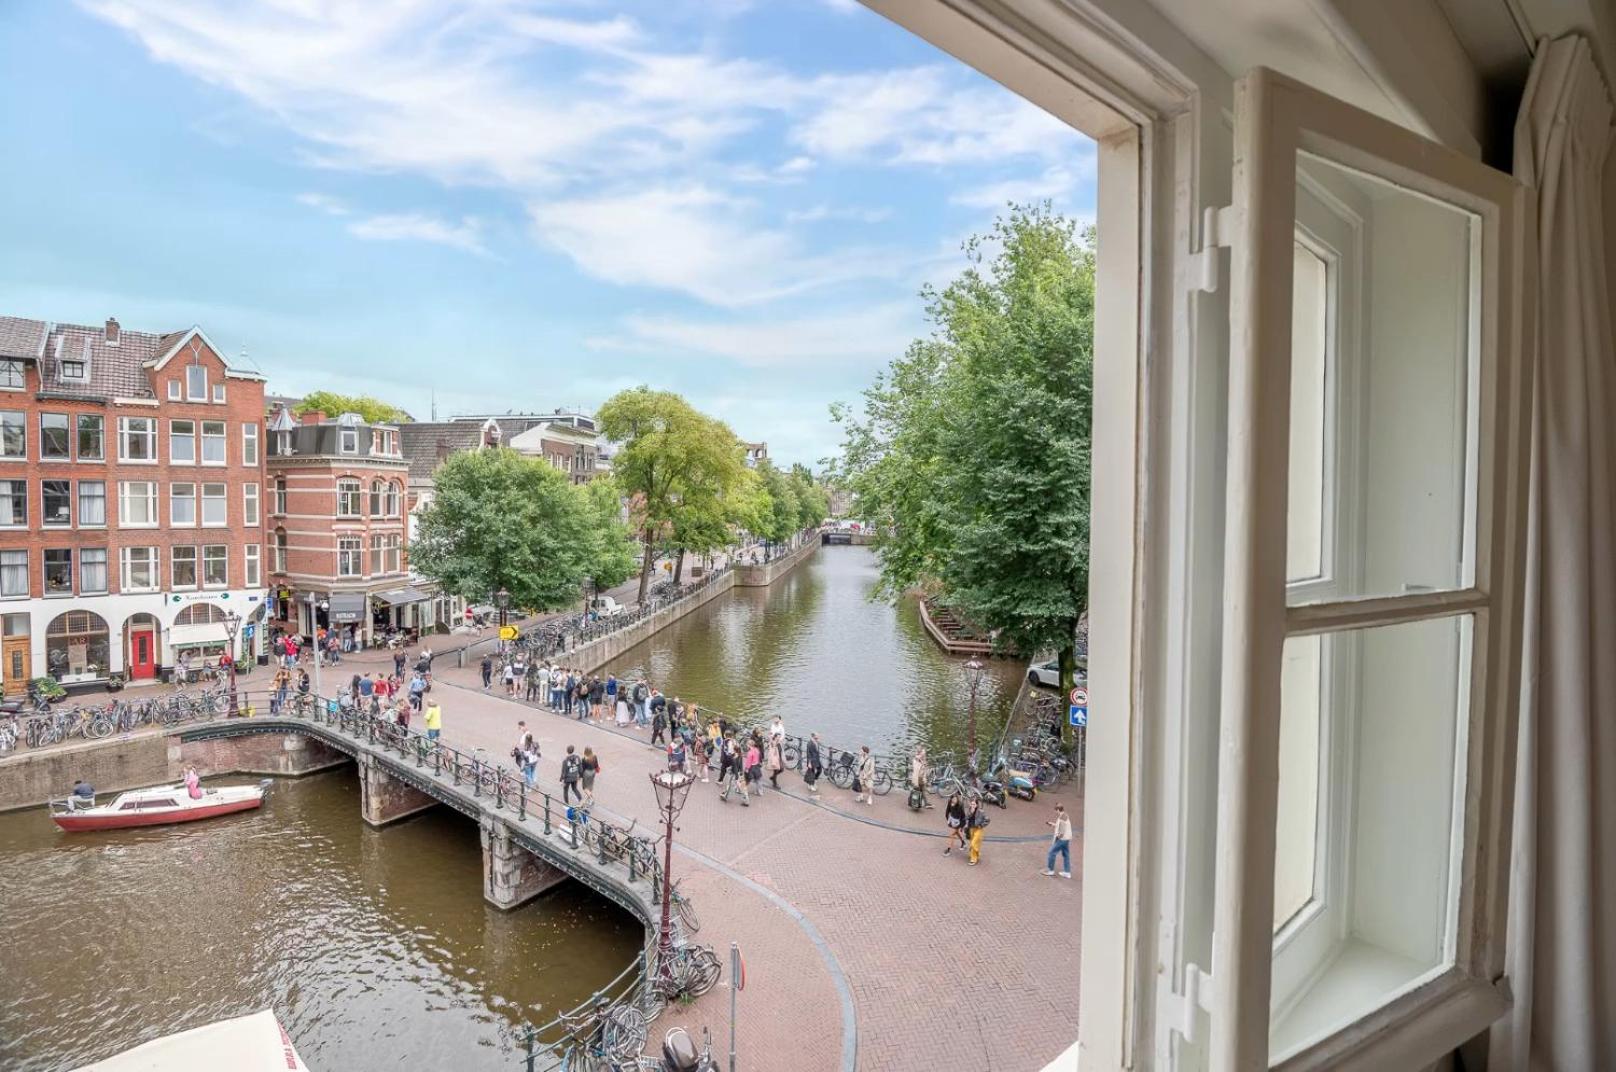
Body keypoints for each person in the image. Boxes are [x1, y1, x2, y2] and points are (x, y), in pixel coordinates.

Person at [1043, 803, 1073, 878]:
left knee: (1051, 852)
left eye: (1056, 811)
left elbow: (1062, 831)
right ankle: (1067, 872)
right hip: (1067, 838)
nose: (1055, 812)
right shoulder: (1064, 815)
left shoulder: (1062, 818)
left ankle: (1050, 870)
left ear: (1058, 810)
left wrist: (1057, 839)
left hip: (1062, 839)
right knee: (1066, 855)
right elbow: (1060, 826)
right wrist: (1052, 824)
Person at [965, 797, 989, 866]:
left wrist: (981, 826)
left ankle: (973, 859)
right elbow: (966, 818)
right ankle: (975, 855)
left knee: (973, 843)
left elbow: (987, 820)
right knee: (974, 844)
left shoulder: (981, 812)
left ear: (977, 805)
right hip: (971, 829)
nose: (972, 806)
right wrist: (971, 813)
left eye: (974, 804)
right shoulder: (969, 810)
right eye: (971, 804)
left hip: (978, 829)